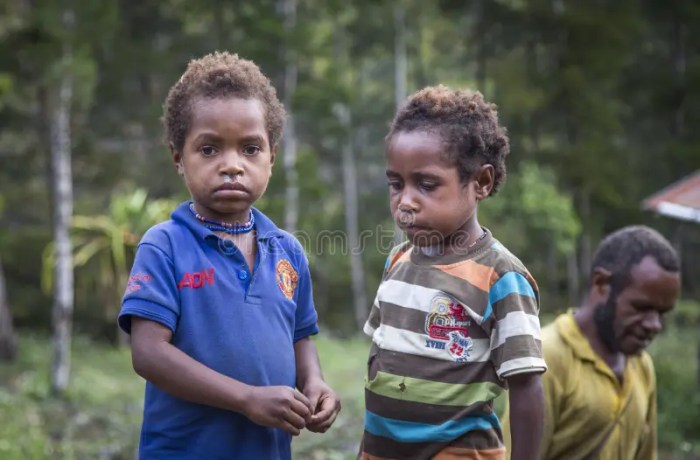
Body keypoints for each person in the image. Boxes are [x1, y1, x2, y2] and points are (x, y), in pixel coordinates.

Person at [117, 51, 341, 459]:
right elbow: (148, 354)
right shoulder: (164, 245)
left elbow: (300, 336)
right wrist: (246, 398)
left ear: (272, 156)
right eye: (209, 149)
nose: (232, 165)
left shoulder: (287, 251)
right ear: (177, 157)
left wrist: (314, 382)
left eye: (250, 148)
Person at [360, 85, 547, 460]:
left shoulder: (500, 276)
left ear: (481, 182)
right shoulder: (397, 261)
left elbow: (526, 387)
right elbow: (380, 365)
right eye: (396, 184)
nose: (405, 201)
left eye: (426, 185)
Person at [502, 225, 681, 460]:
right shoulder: (547, 357)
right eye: (642, 308)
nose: (654, 324)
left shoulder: (642, 366)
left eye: (662, 313)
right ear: (601, 283)